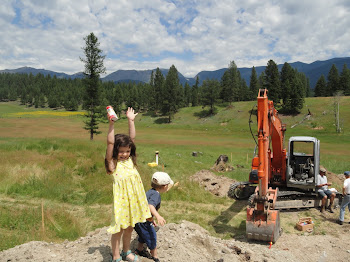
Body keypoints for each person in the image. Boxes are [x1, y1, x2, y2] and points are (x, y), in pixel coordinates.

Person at [105, 107, 151, 262]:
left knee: (130, 227)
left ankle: (126, 252)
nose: (124, 154)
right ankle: (116, 256)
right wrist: (111, 125)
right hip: (121, 202)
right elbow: (110, 142)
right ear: (115, 152)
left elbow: (132, 139)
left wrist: (131, 121)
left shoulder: (130, 160)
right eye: (121, 151)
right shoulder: (113, 165)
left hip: (133, 201)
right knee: (118, 229)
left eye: (127, 151)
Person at [134, 172, 174, 262]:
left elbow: (145, 208)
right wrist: (158, 216)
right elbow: (150, 206)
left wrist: (151, 219)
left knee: (143, 234)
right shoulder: (156, 194)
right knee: (152, 236)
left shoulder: (150, 192)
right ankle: (155, 257)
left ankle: (138, 250)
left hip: (138, 219)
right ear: (164, 186)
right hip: (143, 220)